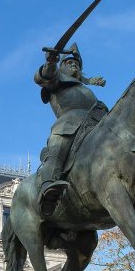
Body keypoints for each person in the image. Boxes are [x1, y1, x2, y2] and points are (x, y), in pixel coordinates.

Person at [34, 43, 108, 217]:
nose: (74, 65)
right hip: (69, 123)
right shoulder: (56, 80)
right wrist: (51, 62)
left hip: (97, 121)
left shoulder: (82, 87)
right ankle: (48, 187)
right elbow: (44, 75)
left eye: (77, 64)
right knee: (58, 148)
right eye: (69, 63)